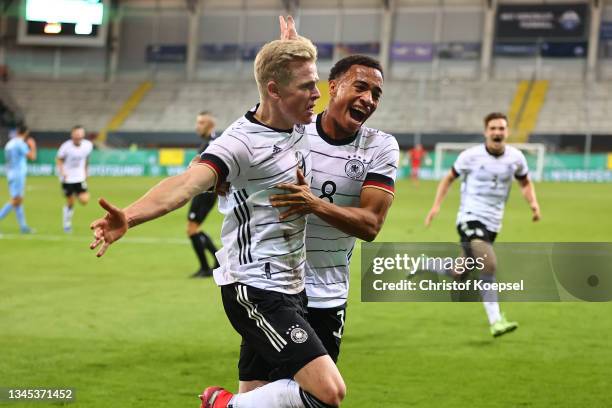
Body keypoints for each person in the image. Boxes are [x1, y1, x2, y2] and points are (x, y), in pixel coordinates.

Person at [90, 20, 346, 408]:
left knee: (260, 399)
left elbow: (274, 77)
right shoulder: (239, 144)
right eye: (307, 87)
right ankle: (220, 405)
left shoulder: (294, 122)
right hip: (256, 290)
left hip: (292, 286)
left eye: (316, 83)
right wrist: (130, 215)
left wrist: (290, 46)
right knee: (327, 393)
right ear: (275, 92)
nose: (317, 94)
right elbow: (187, 182)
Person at [267, 54, 398, 365]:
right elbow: (234, 151)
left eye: (376, 94)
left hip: (328, 292)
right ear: (333, 87)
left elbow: (371, 225)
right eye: (361, 88)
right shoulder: (292, 127)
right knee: (264, 386)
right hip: (273, 286)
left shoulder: (379, 146)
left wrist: (312, 204)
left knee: (318, 396)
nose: (368, 100)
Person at [424, 112, 541, 337]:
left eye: (501, 129)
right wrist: (436, 206)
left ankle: (427, 264)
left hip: (494, 222)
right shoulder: (470, 156)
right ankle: (496, 321)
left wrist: (533, 204)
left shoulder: (516, 157)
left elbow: (525, 181)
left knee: (459, 272)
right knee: (488, 264)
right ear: (486, 131)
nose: (497, 133)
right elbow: (449, 178)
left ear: (507, 132)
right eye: (493, 128)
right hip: (470, 217)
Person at [187, 111, 219, 278]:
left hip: (206, 192)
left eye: (201, 122)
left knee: (192, 229)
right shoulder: (208, 142)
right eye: (198, 122)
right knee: (193, 229)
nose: (197, 126)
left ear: (210, 124)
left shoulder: (212, 144)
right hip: (203, 191)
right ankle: (215, 261)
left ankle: (207, 267)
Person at [57, 125, 94, 232]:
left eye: (80, 134)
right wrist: (62, 172)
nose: (78, 136)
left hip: (80, 177)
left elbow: (87, 158)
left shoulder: (88, 145)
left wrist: (86, 171)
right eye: (76, 134)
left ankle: (75, 193)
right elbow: (59, 159)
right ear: (72, 135)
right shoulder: (65, 146)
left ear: (83, 135)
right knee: (71, 202)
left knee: (85, 200)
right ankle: (67, 224)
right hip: (67, 178)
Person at [0, 124, 36, 233]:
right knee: (16, 200)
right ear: (25, 133)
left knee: (18, 200)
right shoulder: (20, 144)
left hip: (10, 173)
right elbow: (32, 157)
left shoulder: (9, 143)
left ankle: (23, 226)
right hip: (18, 174)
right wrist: (32, 146)